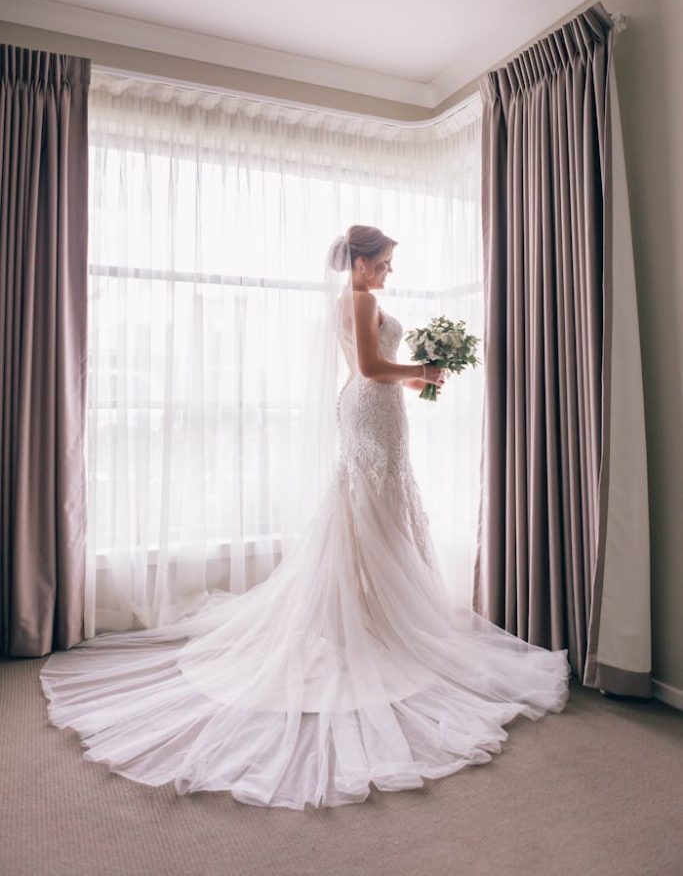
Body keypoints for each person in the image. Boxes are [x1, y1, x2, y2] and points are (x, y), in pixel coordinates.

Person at [39, 224, 570, 810]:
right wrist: (422, 371)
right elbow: (370, 368)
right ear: (362, 262)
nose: (390, 272)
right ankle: (372, 623)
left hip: (371, 411)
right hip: (370, 406)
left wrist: (414, 375)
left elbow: (364, 368)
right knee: (372, 507)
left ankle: (370, 617)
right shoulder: (360, 299)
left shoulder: (357, 299)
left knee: (377, 509)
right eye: (385, 262)